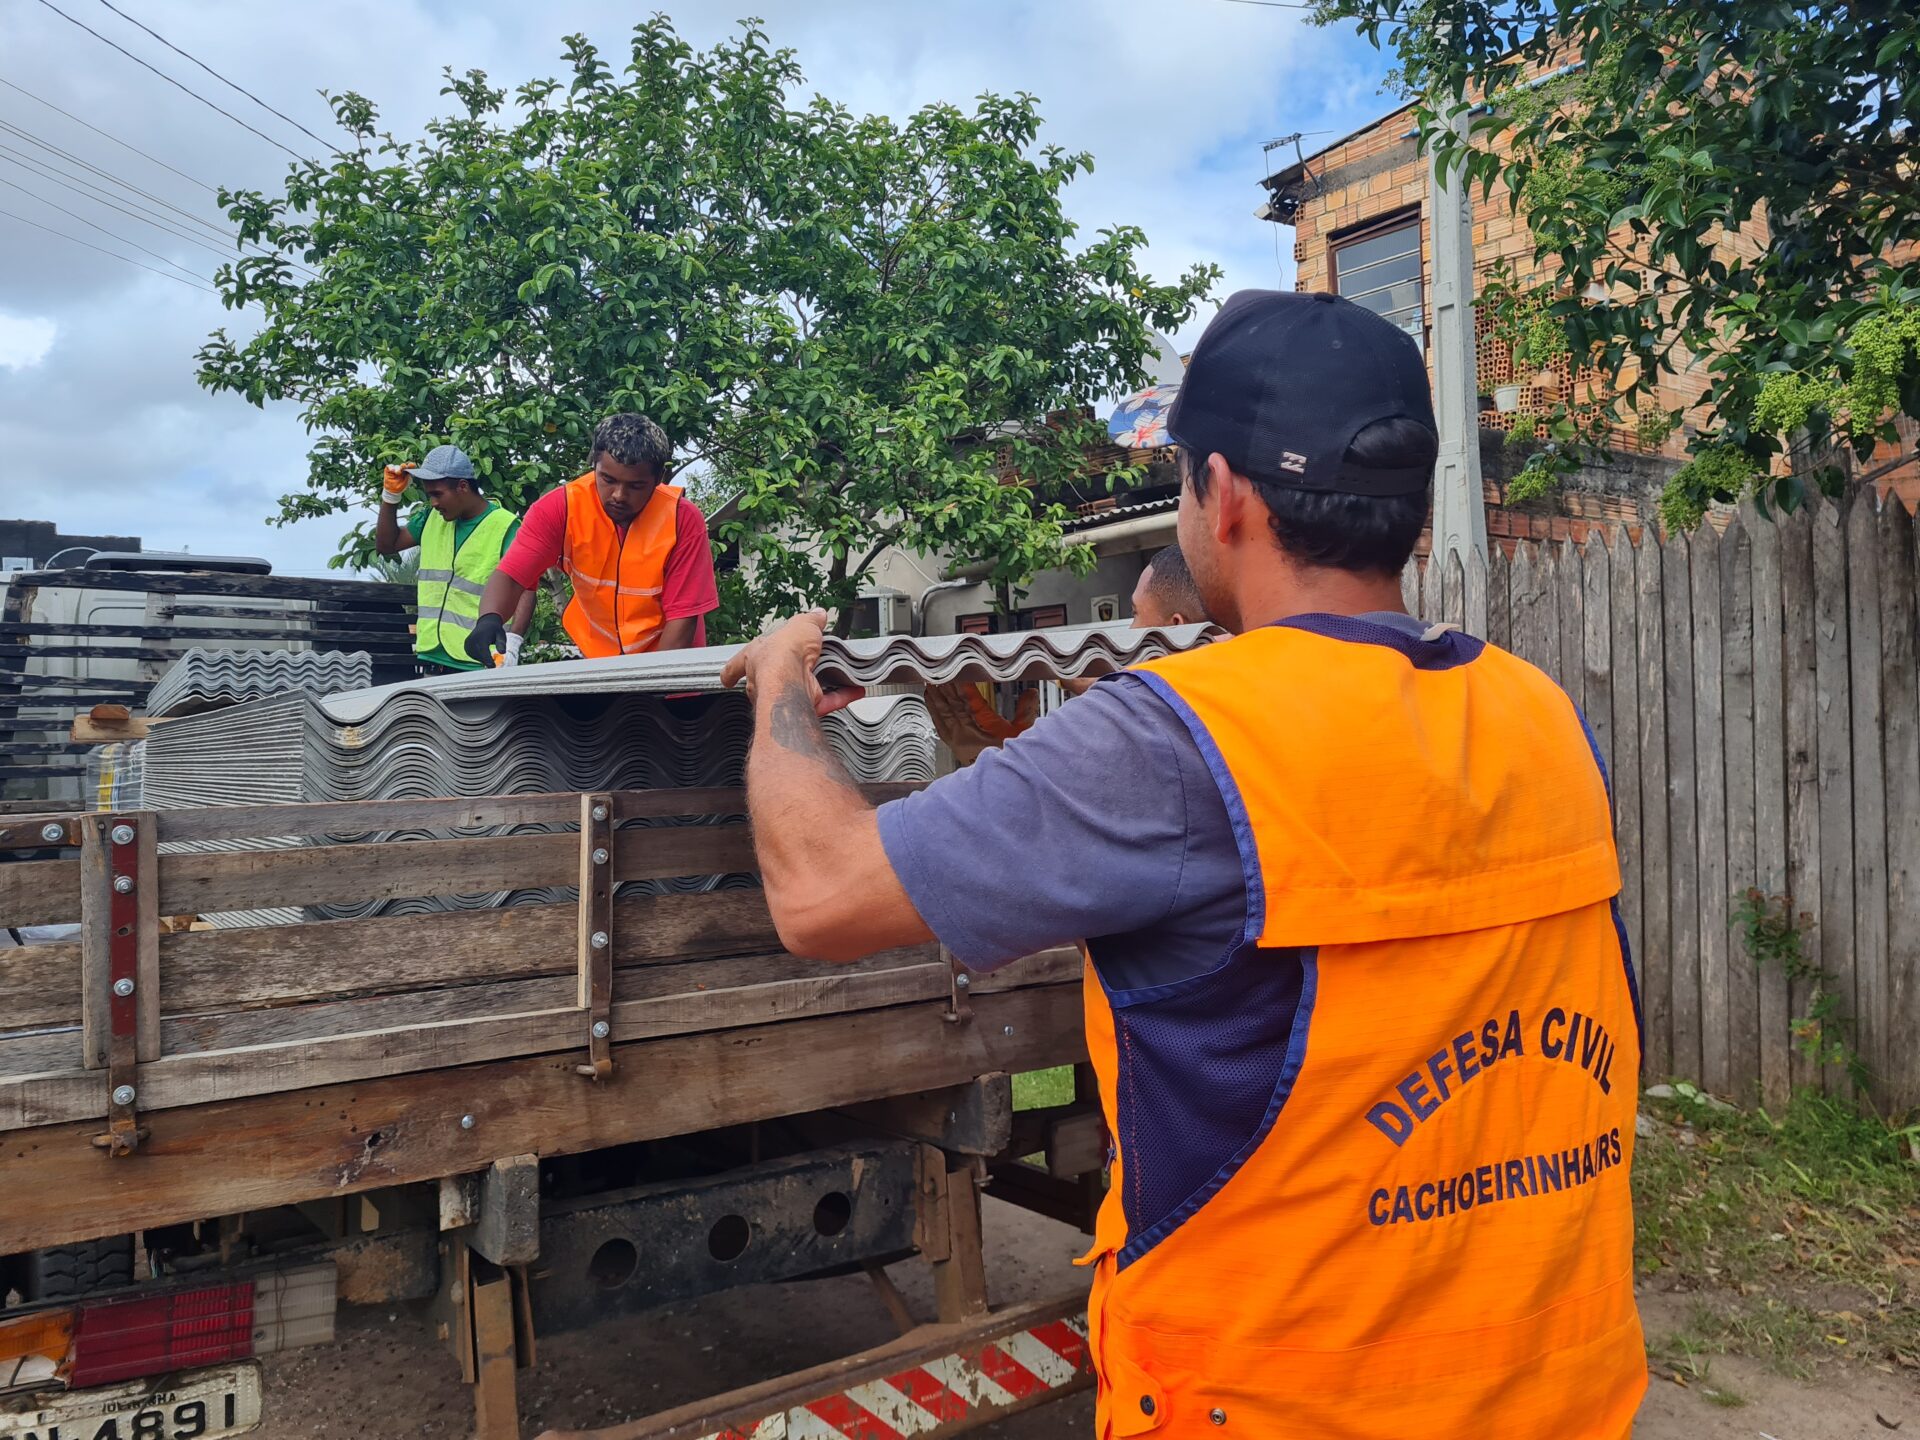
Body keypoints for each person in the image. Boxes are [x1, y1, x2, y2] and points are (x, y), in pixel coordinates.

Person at [721, 291, 1644, 1438]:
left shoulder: (1176, 742)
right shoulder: (1540, 714)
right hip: (1563, 1399)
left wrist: (777, 684)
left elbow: (822, 893)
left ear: (1229, 496)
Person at [468, 413, 718, 664]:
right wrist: (490, 618)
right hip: (601, 666)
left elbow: (682, 620)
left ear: (657, 479)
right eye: (608, 480)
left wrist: (652, 690)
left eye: (636, 486)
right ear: (594, 465)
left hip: (670, 670)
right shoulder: (560, 509)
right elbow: (513, 575)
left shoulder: (681, 520)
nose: (619, 495)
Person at [926, 544, 1209, 759]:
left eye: (1135, 613)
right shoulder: (1217, 713)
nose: (1130, 630)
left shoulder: (1162, 742)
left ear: (1176, 629)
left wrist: (989, 759)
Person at [374, 444, 534, 671]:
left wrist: (512, 644)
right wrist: (390, 497)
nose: (434, 503)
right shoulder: (431, 518)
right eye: (429, 495)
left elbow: (527, 588)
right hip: (433, 656)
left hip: (480, 661)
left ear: (462, 486)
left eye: (437, 494)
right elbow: (386, 545)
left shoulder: (504, 525)